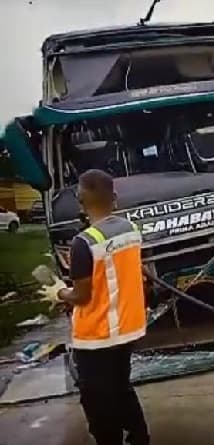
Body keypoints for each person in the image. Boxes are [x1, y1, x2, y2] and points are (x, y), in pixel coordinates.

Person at [38, 169, 149, 445]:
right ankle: (139, 437)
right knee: (121, 387)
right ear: (114, 197)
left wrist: (58, 293)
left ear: (80, 200)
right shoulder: (131, 231)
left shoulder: (83, 243)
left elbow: (82, 296)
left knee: (97, 402)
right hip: (128, 330)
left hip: (96, 337)